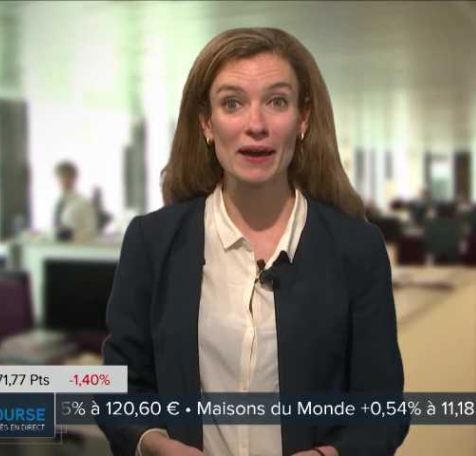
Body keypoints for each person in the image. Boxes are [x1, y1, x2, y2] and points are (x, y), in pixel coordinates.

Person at [100, 28, 407, 456]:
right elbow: (118, 388)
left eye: (277, 102)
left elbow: (383, 409)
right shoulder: (151, 241)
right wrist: (151, 443)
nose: (256, 125)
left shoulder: (357, 248)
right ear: (206, 123)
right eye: (232, 103)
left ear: (302, 119)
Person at [53, 161, 97, 242]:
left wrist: (71, 235)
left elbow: (92, 231)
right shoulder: (57, 202)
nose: (64, 180)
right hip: (53, 247)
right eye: (61, 177)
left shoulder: (83, 203)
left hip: (75, 247)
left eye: (67, 177)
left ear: (75, 178)